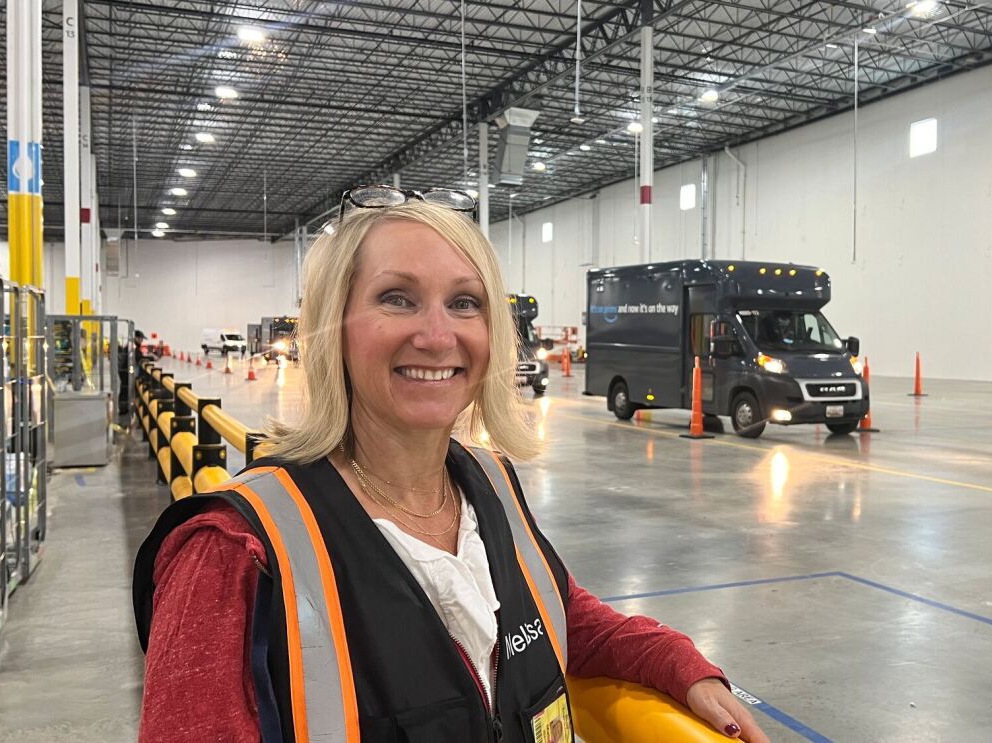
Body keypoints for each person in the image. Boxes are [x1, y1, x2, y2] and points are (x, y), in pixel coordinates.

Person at [132, 187, 770, 743]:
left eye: (465, 303)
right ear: (334, 327)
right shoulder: (232, 551)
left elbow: (557, 612)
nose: (438, 336)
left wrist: (679, 664)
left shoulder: (488, 479)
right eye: (397, 299)